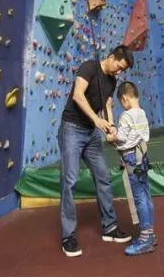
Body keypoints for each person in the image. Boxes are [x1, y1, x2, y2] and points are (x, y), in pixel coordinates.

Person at [58, 46, 134, 257]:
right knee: (69, 180)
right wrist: (96, 120)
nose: (119, 71)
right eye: (119, 66)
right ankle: (68, 237)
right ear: (111, 57)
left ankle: (110, 227)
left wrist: (111, 126)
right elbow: (77, 95)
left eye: (122, 70)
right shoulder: (89, 67)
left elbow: (107, 105)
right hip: (72, 129)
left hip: (91, 134)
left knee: (103, 177)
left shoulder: (111, 80)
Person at [106, 81, 156, 256]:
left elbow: (121, 138)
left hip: (132, 158)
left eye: (121, 102)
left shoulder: (126, 116)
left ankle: (145, 239)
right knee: (146, 195)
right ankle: (150, 234)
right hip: (142, 156)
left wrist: (110, 138)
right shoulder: (142, 113)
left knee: (139, 198)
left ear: (124, 99)